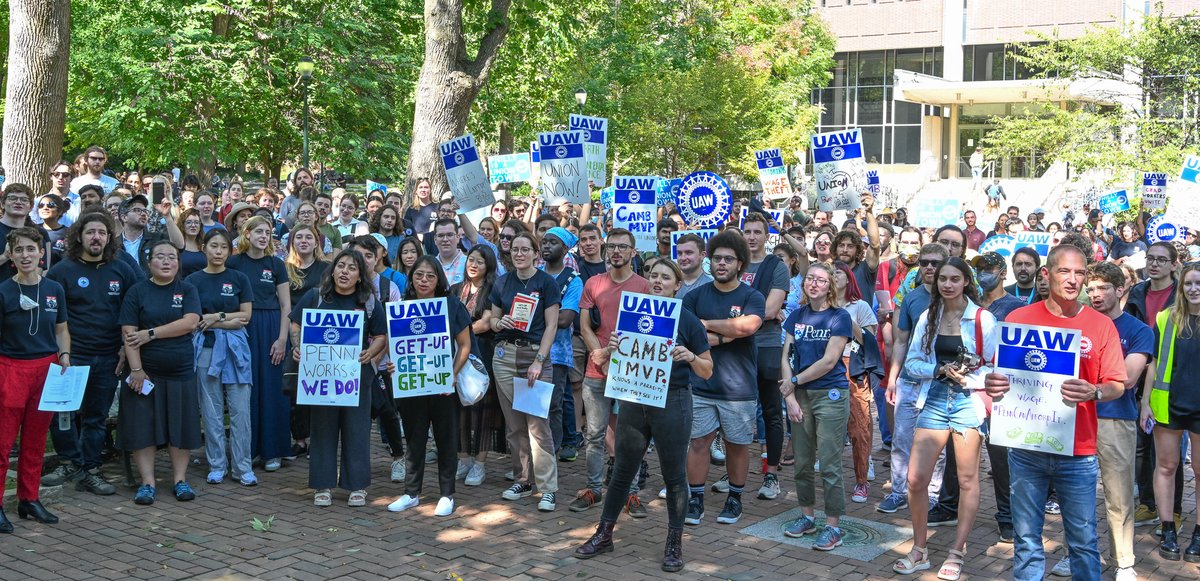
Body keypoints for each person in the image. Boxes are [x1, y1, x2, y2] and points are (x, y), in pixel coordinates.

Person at [984, 244, 1127, 581]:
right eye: (1065, 271)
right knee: (1027, 541)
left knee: (1082, 542)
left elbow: (1117, 384)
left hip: (1078, 452)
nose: (1073, 279)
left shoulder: (1100, 325)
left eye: (1080, 273)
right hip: (1026, 448)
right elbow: (1002, 377)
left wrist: (1095, 391)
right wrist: (995, 385)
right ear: (1046, 274)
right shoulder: (1019, 319)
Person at [573, 259, 713, 572]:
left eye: (666, 277)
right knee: (622, 469)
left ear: (678, 285)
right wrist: (611, 349)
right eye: (653, 276)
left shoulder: (687, 321)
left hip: (672, 402)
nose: (658, 281)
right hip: (635, 399)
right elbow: (610, 357)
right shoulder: (633, 314)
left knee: (675, 474)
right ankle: (604, 533)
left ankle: (674, 542)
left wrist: (690, 357)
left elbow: (707, 369)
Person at [891, 257, 997, 578]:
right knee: (916, 479)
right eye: (942, 279)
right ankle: (920, 548)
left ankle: (957, 550)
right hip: (935, 398)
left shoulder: (983, 319)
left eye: (954, 278)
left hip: (968, 402)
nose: (947, 284)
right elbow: (912, 364)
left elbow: (995, 367)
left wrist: (969, 378)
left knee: (967, 480)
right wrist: (938, 369)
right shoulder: (928, 316)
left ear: (967, 281)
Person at [41, 213, 139, 495]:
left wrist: (125, 347)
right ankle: (69, 461)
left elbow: (133, 310)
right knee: (63, 414)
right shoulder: (63, 270)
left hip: (109, 356)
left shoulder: (122, 270)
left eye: (102, 233)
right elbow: (55, 318)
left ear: (109, 238)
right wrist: (62, 353)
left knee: (96, 417)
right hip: (71, 356)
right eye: (90, 232)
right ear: (79, 236)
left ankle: (90, 470)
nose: (96, 237)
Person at [1068, 262, 1152, 580]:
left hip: (1116, 420)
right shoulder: (1077, 324)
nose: (1095, 294)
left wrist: (1091, 384)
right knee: (1076, 494)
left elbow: (1128, 379)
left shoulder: (1137, 330)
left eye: (1102, 288)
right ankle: (1076, 553)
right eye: (1090, 289)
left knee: (1118, 497)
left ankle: (1124, 562)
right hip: (1076, 418)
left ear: (1120, 290)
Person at [289, 250, 388, 507]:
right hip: (322, 378)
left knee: (357, 431)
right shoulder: (317, 297)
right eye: (340, 266)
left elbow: (381, 335)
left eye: (352, 268)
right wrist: (298, 346)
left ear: (359, 276)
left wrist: (372, 353)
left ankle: (357, 486)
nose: (345, 272)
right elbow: (295, 325)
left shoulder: (368, 301)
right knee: (322, 430)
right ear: (332, 270)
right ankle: (322, 485)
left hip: (357, 377)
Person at [683, 231, 765, 527]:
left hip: (739, 387)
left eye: (728, 259)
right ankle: (696, 498)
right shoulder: (695, 296)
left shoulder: (751, 296)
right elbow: (687, 334)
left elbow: (749, 325)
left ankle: (735, 497)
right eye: (716, 258)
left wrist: (705, 326)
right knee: (698, 443)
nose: (721, 263)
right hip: (701, 384)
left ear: (740, 264)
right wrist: (725, 335)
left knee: (737, 445)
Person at [386, 256, 473, 517]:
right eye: (418, 275)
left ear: (439, 280)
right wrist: (394, 366)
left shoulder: (451, 305)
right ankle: (411, 493)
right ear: (411, 278)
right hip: (412, 385)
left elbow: (465, 345)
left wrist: (452, 374)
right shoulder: (402, 307)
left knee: (446, 438)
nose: (423, 280)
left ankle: (447, 494)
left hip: (442, 385)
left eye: (430, 276)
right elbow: (396, 346)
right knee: (414, 438)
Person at [119, 240, 203, 505]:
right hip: (146, 372)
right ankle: (148, 483)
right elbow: (129, 334)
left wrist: (151, 334)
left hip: (180, 370)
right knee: (142, 426)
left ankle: (179, 480)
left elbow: (190, 323)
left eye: (172, 257)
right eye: (160, 257)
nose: (167, 261)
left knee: (180, 426)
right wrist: (136, 370)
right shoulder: (137, 291)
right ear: (149, 262)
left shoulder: (187, 289)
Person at [0, 227, 72, 532]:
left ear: (42, 252)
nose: (26, 255)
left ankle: (29, 498)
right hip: (10, 368)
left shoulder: (54, 289)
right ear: (11, 256)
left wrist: (65, 356)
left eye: (31, 249)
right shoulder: (3, 290)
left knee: (35, 440)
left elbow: (61, 330)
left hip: (46, 368)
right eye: (19, 250)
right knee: (3, 443)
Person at [777, 262, 853, 550]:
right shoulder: (796, 316)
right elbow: (787, 356)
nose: (814, 284)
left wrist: (793, 382)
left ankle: (833, 525)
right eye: (810, 279)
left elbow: (829, 361)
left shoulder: (839, 317)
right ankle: (807, 516)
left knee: (830, 464)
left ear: (830, 286)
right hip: (800, 395)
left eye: (821, 280)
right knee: (802, 461)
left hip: (830, 394)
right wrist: (790, 397)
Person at [573, 228, 649, 513]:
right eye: (612, 247)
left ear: (633, 251)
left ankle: (631, 492)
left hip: (631, 372)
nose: (617, 252)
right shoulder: (593, 283)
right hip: (597, 371)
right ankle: (593, 489)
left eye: (623, 247)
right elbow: (584, 326)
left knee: (631, 436)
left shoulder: (644, 286)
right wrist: (599, 354)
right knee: (594, 435)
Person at [488, 231, 561, 512]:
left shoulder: (546, 283)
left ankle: (548, 488)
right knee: (515, 425)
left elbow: (552, 325)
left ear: (535, 253)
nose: (519, 254)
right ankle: (522, 479)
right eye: (515, 249)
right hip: (505, 356)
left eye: (525, 249)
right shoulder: (503, 282)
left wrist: (540, 360)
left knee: (538, 426)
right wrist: (499, 323)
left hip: (533, 358)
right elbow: (492, 319)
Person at [878, 242, 949, 514]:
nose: (929, 267)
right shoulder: (911, 298)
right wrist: (893, 378)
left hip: (941, 383)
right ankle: (898, 492)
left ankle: (931, 496)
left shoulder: (956, 298)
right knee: (902, 439)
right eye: (924, 262)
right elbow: (900, 342)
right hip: (910, 378)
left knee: (935, 444)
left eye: (935, 263)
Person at [186, 229, 255, 486]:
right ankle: (216, 465)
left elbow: (246, 316)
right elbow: (195, 320)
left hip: (236, 350)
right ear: (204, 248)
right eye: (213, 246)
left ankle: (243, 467)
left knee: (240, 410)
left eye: (223, 247)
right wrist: (228, 320)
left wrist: (216, 318)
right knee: (211, 410)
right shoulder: (193, 280)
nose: (218, 251)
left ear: (230, 250)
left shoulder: (238, 278)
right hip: (205, 348)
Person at [1144, 261, 1200, 562]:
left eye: (1199, 284)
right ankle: (1168, 529)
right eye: (1189, 283)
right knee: (1166, 467)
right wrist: (1146, 403)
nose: (1194, 289)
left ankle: (1199, 534)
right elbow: (1152, 363)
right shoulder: (1166, 319)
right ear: (1181, 287)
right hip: (1169, 405)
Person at [1126, 241, 1182, 529]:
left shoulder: (1181, 295)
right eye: (1150, 258)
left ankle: (1174, 511)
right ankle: (1147, 503)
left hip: (1170, 379)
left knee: (1168, 452)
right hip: (1140, 372)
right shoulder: (1138, 291)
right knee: (1140, 445)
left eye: (1161, 260)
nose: (1154, 264)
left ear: (1174, 265)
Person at [228, 216, 291, 472]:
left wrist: (282, 338)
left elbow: (286, 304)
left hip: (271, 325)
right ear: (247, 234)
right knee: (246, 389)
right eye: (259, 232)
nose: (264, 236)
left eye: (268, 232)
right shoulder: (234, 263)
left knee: (273, 389)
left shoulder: (276, 264)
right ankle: (248, 448)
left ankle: (273, 450)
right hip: (243, 327)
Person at [738, 212, 791, 501]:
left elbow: (771, 311)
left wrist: (734, 315)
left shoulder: (776, 266)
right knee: (736, 411)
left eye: (757, 231)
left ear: (767, 235)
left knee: (771, 411)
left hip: (767, 346)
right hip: (735, 347)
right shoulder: (734, 262)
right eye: (747, 231)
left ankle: (771, 474)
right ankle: (734, 472)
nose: (751, 236)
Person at [452, 245, 504, 487]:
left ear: (489, 266)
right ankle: (462, 459)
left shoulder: (493, 291)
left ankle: (480, 464)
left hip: (482, 356)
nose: (473, 265)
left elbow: (483, 325)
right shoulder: (455, 290)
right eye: (470, 260)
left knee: (483, 411)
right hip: (455, 356)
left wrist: (458, 333)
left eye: (480, 262)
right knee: (458, 409)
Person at [281, 224, 330, 465]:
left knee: (319, 390)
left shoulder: (326, 269)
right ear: (291, 242)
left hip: (323, 336)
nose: (303, 241)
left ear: (316, 242)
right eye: (298, 237)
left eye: (308, 237)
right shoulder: (285, 269)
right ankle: (299, 440)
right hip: (294, 332)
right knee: (295, 391)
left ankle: (318, 440)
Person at [832, 260, 879, 503]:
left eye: (837, 272)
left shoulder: (859, 306)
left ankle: (862, 481)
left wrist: (846, 319)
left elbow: (870, 341)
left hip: (853, 368)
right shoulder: (819, 305)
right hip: (825, 368)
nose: (832, 276)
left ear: (849, 278)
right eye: (829, 273)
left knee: (860, 427)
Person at [176, 209, 207, 279]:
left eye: (196, 222)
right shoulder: (177, 245)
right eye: (189, 222)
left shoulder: (205, 244)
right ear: (183, 225)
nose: (193, 225)